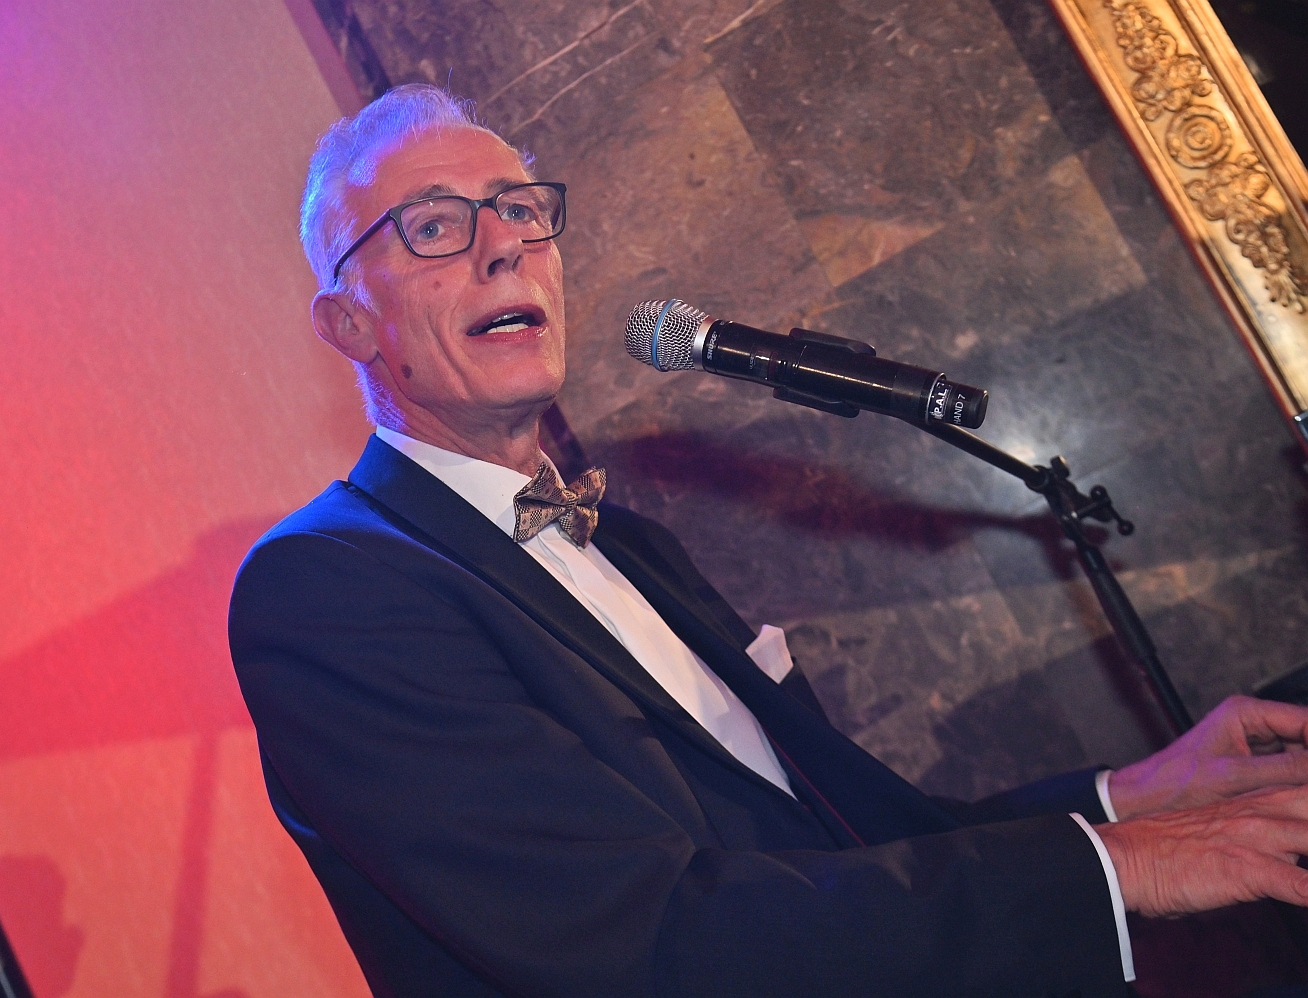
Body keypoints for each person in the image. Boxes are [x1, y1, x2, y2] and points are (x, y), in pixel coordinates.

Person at [228, 84, 1308, 997]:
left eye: (519, 208)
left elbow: (865, 846)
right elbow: (639, 939)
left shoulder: (634, 545)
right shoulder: (327, 585)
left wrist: (1130, 798)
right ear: (348, 322)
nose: (504, 243)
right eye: (434, 225)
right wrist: (1113, 867)